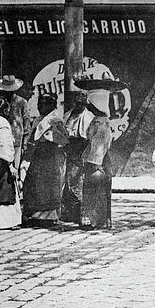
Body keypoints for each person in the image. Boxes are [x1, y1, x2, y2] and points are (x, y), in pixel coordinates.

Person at [21, 93, 68, 222]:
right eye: (39, 103)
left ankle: (49, 216)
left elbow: (64, 139)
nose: (40, 106)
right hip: (37, 154)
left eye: (44, 104)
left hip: (50, 154)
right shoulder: (38, 119)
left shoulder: (55, 120)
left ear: (52, 105)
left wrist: (50, 137)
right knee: (33, 182)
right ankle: (34, 213)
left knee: (47, 184)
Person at [78, 80, 117, 229]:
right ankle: (100, 220)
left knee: (96, 191)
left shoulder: (99, 123)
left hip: (97, 161)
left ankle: (96, 221)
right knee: (101, 192)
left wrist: (94, 163)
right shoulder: (103, 121)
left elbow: (98, 146)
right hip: (102, 160)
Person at [61, 90, 95, 224]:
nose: (79, 105)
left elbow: (88, 138)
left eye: (82, 103)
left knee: (77, 183)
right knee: (66, 183)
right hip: (67, 151)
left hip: (80, 151)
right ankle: (68, 213)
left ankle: (81, 214)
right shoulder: (68, 115)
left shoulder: (89, 117)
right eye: (77, 103)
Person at [0, 98, 21, 229]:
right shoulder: (2, 122)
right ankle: (4, 222)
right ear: (5, 110)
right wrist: (10, 163)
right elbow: (4, 144)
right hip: (0, 161)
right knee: (4, 189)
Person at [0, 75, 30, 169]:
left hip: (17, 139)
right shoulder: (0, 102)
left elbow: (26, 122)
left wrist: (25, 143)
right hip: (3, 139)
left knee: (15, 167)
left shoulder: (22, 102)